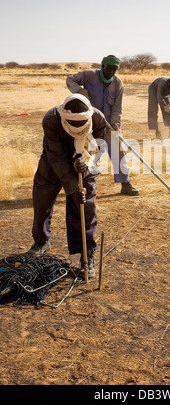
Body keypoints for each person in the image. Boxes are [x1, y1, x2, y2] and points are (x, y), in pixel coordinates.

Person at [27, 94, 106, 279]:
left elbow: (99, 148)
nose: (77, 127)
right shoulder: (51, 119)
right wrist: (72, 188)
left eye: (81, 123)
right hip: (53, 163)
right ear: (63, 115)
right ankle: (41, 242)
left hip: (85, 162)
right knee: (42, 201)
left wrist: (86, 165)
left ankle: (87, 255)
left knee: (85, 208)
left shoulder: (98, 118)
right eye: (72, 122)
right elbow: (56, 157)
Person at [66, 55, 139, 196]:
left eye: (114, 69)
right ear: (102, 66)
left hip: (110, 123)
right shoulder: (88, 75)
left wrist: (116, 124)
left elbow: (117, 107)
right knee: (91, 152)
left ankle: (125, 184)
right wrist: (79, 91)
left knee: (119, 151)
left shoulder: (118, 83)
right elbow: (70, 79)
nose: (111, 72)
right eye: (109, 68)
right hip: (90, 122)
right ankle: (88, 182)